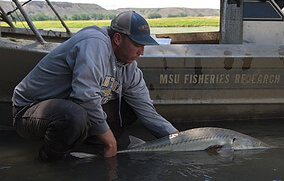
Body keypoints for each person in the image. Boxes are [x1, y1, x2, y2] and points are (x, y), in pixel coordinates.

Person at [11, 11, 178, 161]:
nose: (141, 51)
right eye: (137, 44)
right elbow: (85, 98)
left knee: (127, 108)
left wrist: (182, 139)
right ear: (118, 38)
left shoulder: (130, 67)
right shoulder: (94, 43)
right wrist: (111, 143)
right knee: (74, 116)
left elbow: (148, 112)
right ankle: (49, 162)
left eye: (144, 46)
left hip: (72, 109)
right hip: (29, 111)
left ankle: (84, 150)